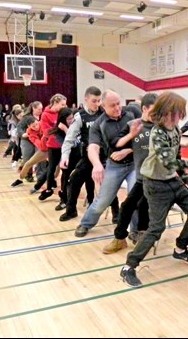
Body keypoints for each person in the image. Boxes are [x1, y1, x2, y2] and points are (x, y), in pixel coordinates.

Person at [120, 92, 188, 288]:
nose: (181, 116)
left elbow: (176, 154)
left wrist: (186, 180)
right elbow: (168, 161)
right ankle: (129, 266)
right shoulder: (157, 133)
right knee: (156, 228)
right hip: (155, 184)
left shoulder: (175, 129)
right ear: (169, 111)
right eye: (179, 112)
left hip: (172, 180)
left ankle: (180, 248)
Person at [74, 90, 137, 237]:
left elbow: (145, 137)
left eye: (118, 104)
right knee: (104, 199)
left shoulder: (132, 113)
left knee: (135, 197)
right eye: (112, 105)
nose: (117, 108)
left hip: (135, 164)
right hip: (115, 166)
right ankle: (86, 223)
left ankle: (135, 231)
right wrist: (96, 164)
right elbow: (93, 147)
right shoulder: (98, 124)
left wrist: (128, 151)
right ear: (103, 106)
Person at [102, 93, 159, 254]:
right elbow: (115, 144)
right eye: (154, 111)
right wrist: (130, 138)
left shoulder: (161, 127)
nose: (156, 115)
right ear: (144, 109)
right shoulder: (133, 124)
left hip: (156, 178)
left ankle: (142, 235)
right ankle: (120, 239)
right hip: (142, 177)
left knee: (143, 205)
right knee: (127, 206)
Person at [59, 87, 118, 222]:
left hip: (104, 156)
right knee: (74, 181)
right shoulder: (80, 117)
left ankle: (117, 213)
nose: (96, 104)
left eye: (99, 101)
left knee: (108, 184)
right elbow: (69, 139)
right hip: (87, 157)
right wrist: (64, 157)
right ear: (86, 99)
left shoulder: (105, 113)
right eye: (93, 101)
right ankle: (71, 210)